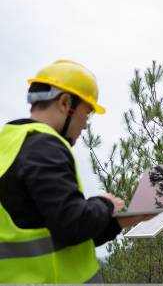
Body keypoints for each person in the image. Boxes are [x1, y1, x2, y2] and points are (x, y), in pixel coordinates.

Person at [0, 60, 152, 283]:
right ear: (64, 102)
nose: (86, 125)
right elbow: (72, 225)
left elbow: (54, 237)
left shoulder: (10, 143)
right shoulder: (45, 147)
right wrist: (105, 203)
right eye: (87, 112)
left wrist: (119, 222)